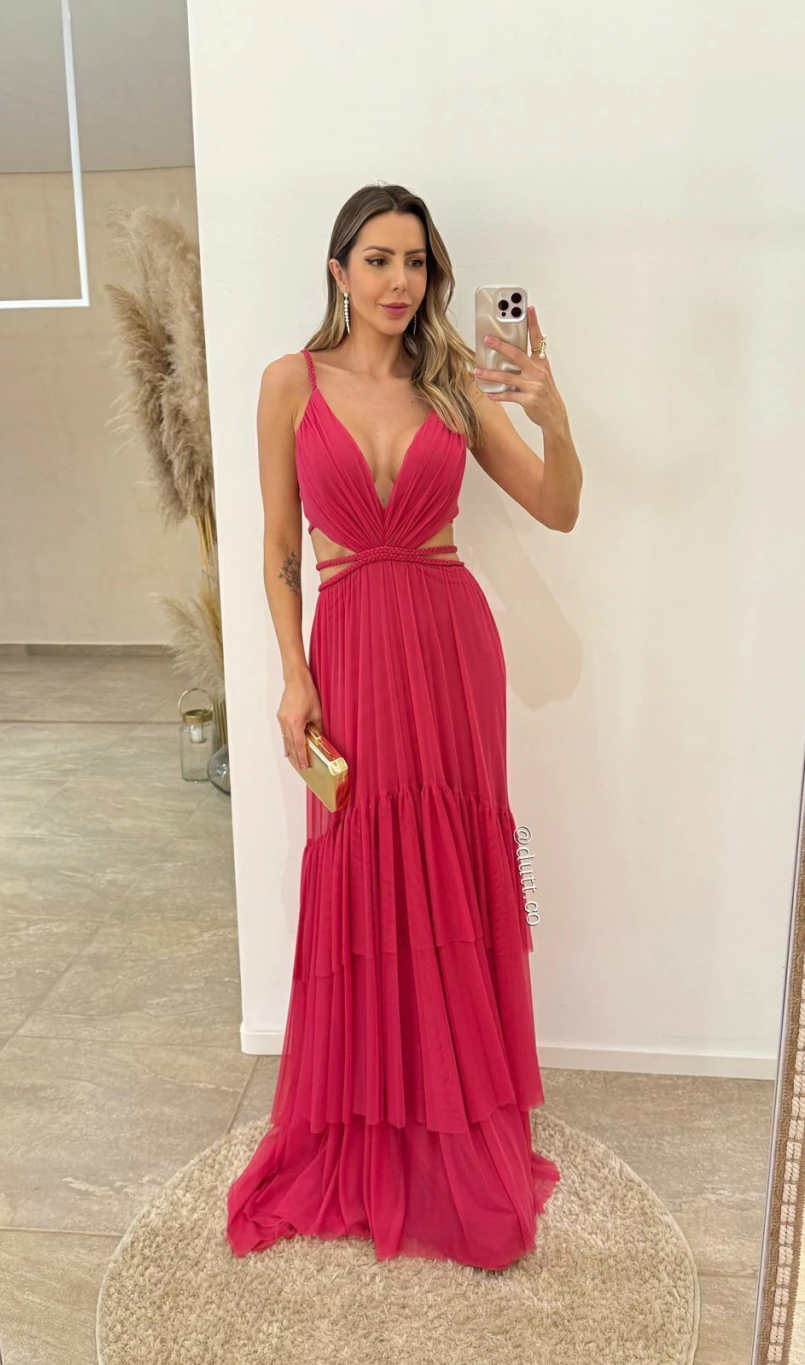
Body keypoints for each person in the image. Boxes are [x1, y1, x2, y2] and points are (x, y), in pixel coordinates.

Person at [226, 183, 581, 1271]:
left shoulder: (453, 383)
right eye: (377, 260)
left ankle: (458, 1118)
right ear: (338, 270)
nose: (398, 282)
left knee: (451, 867)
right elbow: (278, 551)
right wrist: (294, 678)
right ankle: (378, 1118)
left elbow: (558, 507)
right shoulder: (289, 383)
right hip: (351, 649)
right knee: (366, 867)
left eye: (415, 262)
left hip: (450, 644)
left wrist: (553, 414)